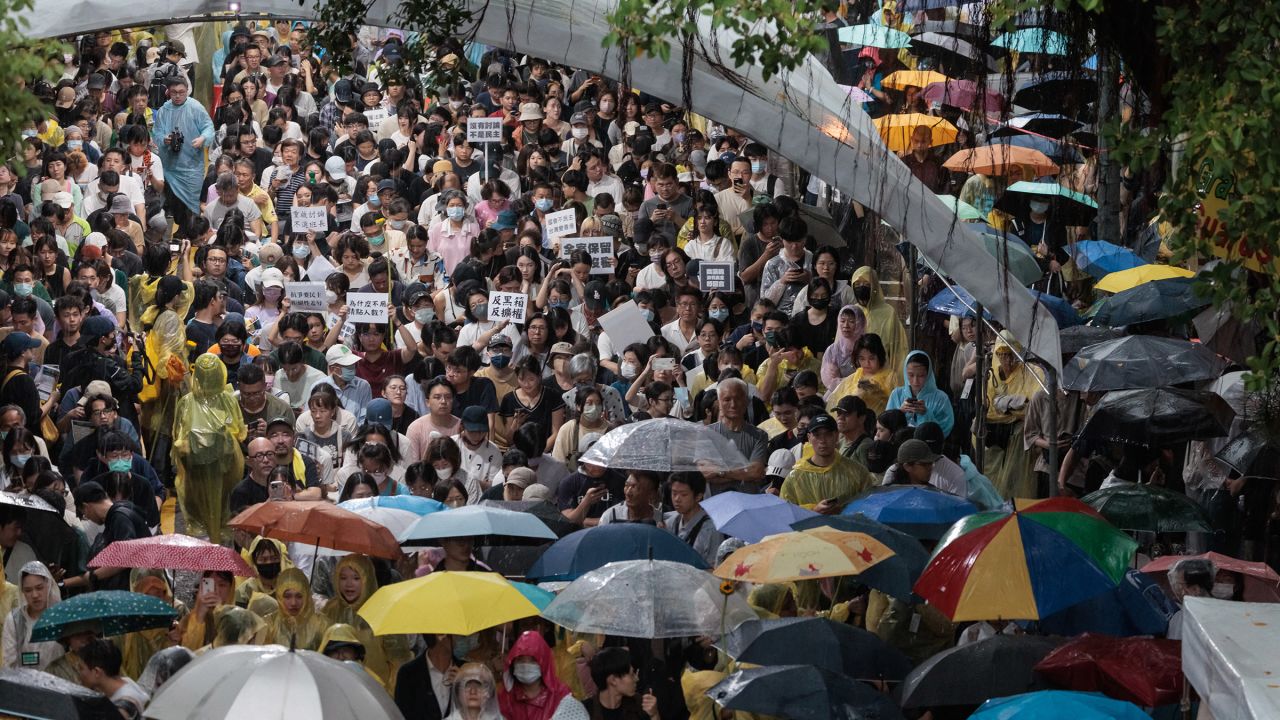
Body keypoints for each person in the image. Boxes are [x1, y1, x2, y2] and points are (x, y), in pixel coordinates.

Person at [171, 354, 247, 544]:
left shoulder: (224, 400)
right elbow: (239, 431)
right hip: (199, 465)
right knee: (204, 501)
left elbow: (236, 430)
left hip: (222, 463)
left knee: (220, 500)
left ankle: (218, 530)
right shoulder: (188, 402)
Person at [321, 554, 412, 688]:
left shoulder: (383, 610)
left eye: (356, 578)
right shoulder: (330, 609)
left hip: (377, 689)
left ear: (367, 579)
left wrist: (391, 693)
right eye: (343, 578)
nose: (349, 584)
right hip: (337, 686)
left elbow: (398, 658)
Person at [982, 332, 1044, 499]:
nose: (1007, 360)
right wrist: (1013, 405)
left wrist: (1006, 405)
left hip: (1019, 437)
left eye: (1010, 355)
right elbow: (988, 407)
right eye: (1001, 355)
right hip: (994, 436)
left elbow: (1034, 407)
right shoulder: (990, 375)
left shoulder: (1031, 373)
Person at [151, 74, 215, 229]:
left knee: (191, 204)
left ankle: (192, 232)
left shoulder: (195, 107)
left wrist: (202, 139)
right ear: (168, 92)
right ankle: (181, 229)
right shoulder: (164, 110)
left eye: (181, 92)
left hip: (191, 166)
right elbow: (156, 133)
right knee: (174, 203)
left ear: (187, 90)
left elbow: (209, 127)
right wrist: (164, 139)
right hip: (170, 167)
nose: (178, 95)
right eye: (174, 92)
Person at [779, 414, 875, 512]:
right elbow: (786, 514)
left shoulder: (858, 472)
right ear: (809, 438)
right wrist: (814, 510)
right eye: (817, 435)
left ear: (837, 436)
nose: (822, 441)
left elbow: (869, 507)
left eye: (828, 434)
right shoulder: (794, 478)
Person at [66, 481, 149, 593]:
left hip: (140, 586)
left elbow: (125, 558)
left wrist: (93, 575)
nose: (87, 517)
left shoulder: (119, 517)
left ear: (86, 507)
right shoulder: (122, 510)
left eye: (84, 514)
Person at [497, 630, 585, 720]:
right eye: (520, 660)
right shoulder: (505, 699)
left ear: (544, 663)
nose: (526, 665)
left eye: (532, 660)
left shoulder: (561, 698)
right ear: (513, 663)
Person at [1, 560, 62, 670]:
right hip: (25, 682)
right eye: (28, 590)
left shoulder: (62, 616)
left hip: (61, 682)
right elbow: (9, 663)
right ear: (22, 592)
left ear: (49, 585)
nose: (34, 595)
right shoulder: (15, 620)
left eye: (39, 588)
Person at [849, 266, 908, 373]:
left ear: (874, 286)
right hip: (857, 372)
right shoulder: (852, 312)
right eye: (857, 285)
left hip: (884, 373)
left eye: (866, 284)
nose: (861, 288)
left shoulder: (888, 313)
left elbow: (898, 349)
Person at [885, 350, 955, 437]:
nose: (915, 381)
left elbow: (945, 429)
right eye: (910, 375)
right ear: (905, 372)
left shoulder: (941, 398)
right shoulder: (896, 394)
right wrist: (900, 412)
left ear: (928, 374)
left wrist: (926, 413)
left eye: (921, 376)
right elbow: (885, 425)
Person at [662, 472, 724, 567]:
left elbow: (715, 568)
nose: (677, 499)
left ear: (698, 496)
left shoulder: (711, 529)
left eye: (684, 495)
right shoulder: (669, 522)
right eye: (674, 493)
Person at [78, 638, 150, 717]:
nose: (79, 673)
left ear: (96, 672)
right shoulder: (126, 682)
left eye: (81, 668)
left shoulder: (122, 708)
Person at [263, 567, 331, 651]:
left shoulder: (322, 624)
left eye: (299, 596)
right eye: (287, 596)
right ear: (279, 597)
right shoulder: (269, 624)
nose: (293, 603)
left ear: (307, 596)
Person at [586, 646, 661, 720]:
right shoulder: (586, 711)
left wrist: (654, 715)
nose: (637, 678)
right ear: (613, 680)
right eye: (631, 674)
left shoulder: (638, 703)